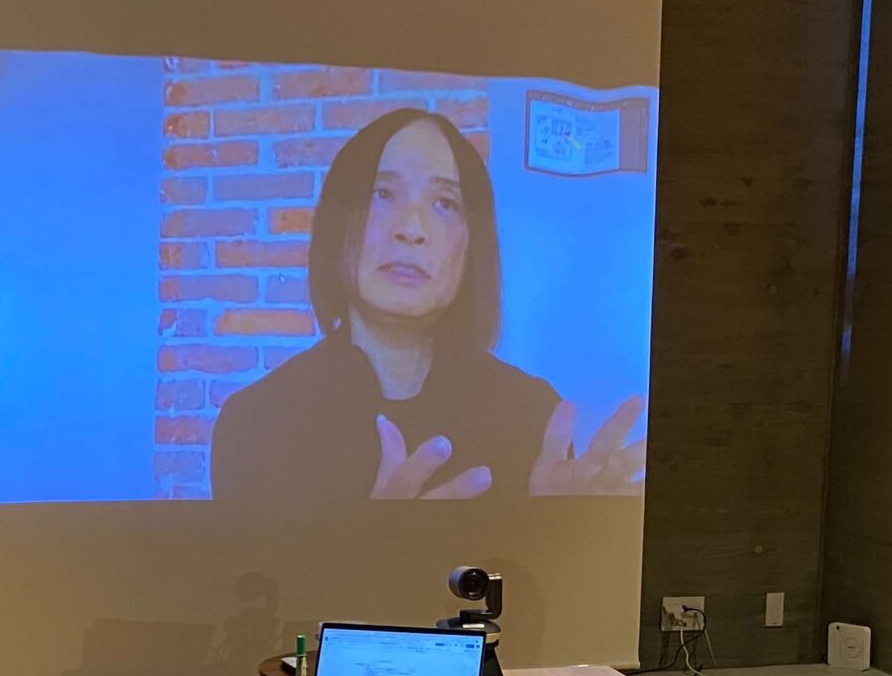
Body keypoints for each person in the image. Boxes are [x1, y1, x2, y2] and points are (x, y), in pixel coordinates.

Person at [210, 107, 644, 502]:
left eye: (444, 203)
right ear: (338, 222)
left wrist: (558, 532)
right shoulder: (256, 424)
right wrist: (368, 546)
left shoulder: (531, 415)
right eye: (383, 193)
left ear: (472, 247)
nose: (412, 229)